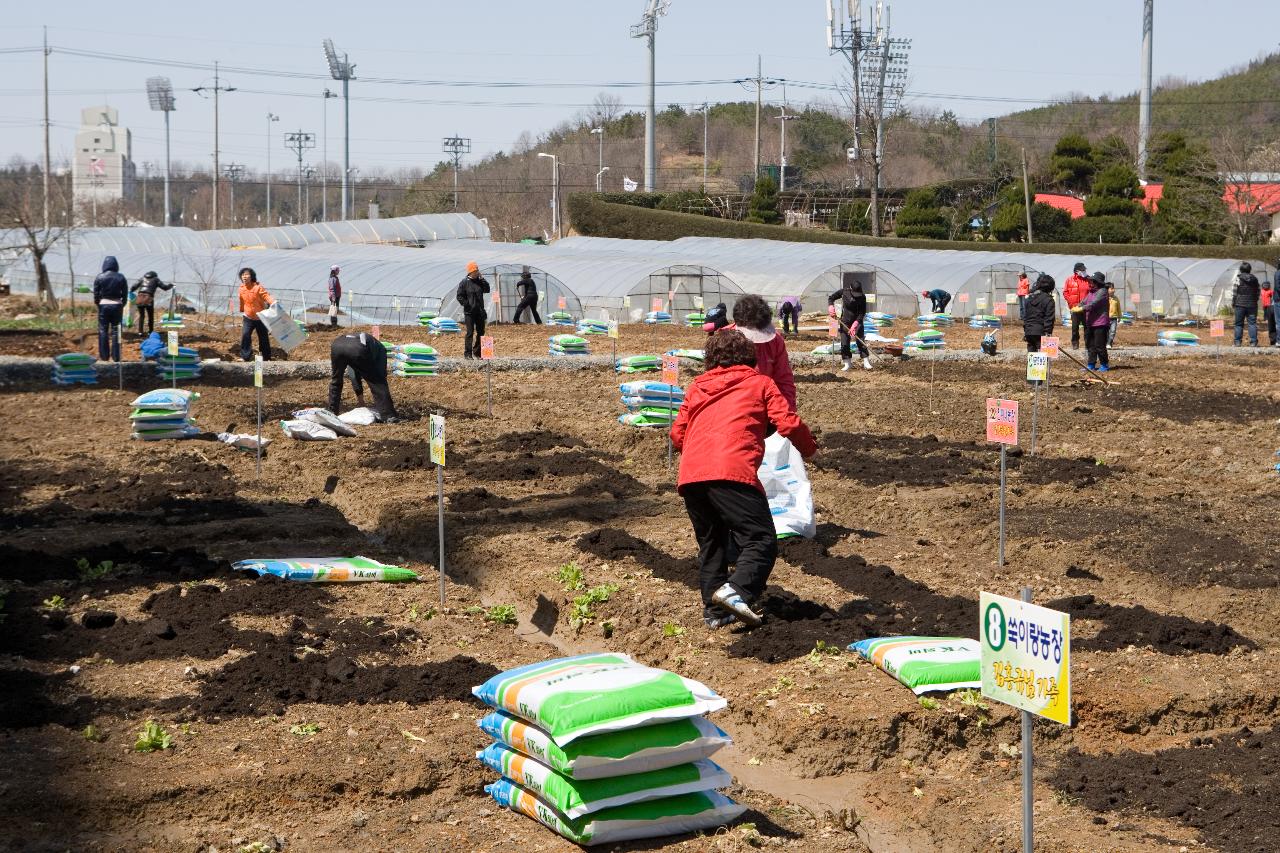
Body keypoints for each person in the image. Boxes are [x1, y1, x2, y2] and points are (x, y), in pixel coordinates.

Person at [669, 329, 817, 629]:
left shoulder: (698, 385)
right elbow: (787, 421)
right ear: (750, 358)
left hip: (692, 475)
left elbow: (677, 434)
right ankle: (736, 592)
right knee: (761, 540)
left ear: (710, 359)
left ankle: (715, 612)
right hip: (731, 470)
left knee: (712, 544)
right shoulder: (761, 383)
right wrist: (811, 449)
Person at [731, 294, 797, 411]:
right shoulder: (725, 341)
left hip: (765, 402)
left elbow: (783, 379)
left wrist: (788, 412)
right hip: (733, 403)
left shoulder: (775, 341)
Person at [328, 330, 399, 423]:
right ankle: (389, 416)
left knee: (336, 380)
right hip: (357, 347)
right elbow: (380, 377)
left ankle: (332, 412)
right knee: (378, 383)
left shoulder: (368, 343)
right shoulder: (381, 350)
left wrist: (361, 401)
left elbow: (353, 374)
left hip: (337, 345)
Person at [831, 278, 872, 371]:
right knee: (845, 342)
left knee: (860, 341)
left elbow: (862, 312)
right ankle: (847, 363)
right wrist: (830, 306)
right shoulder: (844, 292)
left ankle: (866, 362)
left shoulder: (862, 297)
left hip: (857, 321)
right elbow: (831, 297)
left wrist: (855, 324)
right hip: (845, 321)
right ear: (850, 289)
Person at [92, 256, 127, 362]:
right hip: (117, 304)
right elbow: (125, 293)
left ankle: (104, 357)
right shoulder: (121, 277)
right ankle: (117, 357)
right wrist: (122, 304)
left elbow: (96, 293)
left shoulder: (99, 277)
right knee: (117, 331)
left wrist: (99, 303)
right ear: (116, 265)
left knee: (103, 330)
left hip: (104, 305)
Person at [238, 267, 276, 362]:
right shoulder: (241, 289)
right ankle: (245, 357)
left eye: (247, 275)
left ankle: (266, 357)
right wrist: (242, 309)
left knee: (263, 337)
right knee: (246, 335)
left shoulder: (258, 288)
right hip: (248, 317)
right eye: (243, 275)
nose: (244, 277)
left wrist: (273, 303)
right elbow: (242, 300)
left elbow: (266, 296)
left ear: (252, 277)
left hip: (260, 317)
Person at [456, 261, 490, 359]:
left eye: (477, 271)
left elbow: (487, 289)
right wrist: (467, 304)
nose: (477, 272)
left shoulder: (479, 281)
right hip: (469, 312)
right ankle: (467, 354)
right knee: (470, 332)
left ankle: (478, 352)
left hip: (480, 311)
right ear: (470, 272)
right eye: (475, 271)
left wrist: (483, 279)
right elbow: (459, 296)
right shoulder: (464, 282)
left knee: (481, 332)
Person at [1081, 272, 1111, 372]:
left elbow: (1094, 303)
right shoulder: (1091, 292)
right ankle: (1091, 364)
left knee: (1099, 345)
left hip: (1100, 323)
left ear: (1098, 282)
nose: (1091, 282)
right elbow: (1084, 302)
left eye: (1092, 281)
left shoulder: (1102, 291)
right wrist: (1077, 306)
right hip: (1090, 322)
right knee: (1090, 345)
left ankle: (1104, 364)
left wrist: (1082, 308)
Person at [129, 270, 172, 336]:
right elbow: (165, 287)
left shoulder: (142, 278)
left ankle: (140, 332)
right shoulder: (156, 279)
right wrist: (171, 285)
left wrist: (131, 293)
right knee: (150, 316)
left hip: (139, 298)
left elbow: (133, 287)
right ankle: (150, 332)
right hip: (148, 298)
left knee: (142, 316)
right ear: (155, 275)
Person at [1022, 274, 1056, 353]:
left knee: (1032, 357)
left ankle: (1031, 365)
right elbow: (1049, 319)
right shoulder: (1049, 300)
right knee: (1043, 358)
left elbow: (1026, 316)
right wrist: (1048, 333)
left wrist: (1026, 330)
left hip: (1029, 331)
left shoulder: (1029, 298)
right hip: (1041, 332)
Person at [1232, 262, 1261, 347]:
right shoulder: (1255, 279)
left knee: (1238, 324)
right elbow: (1258, 291)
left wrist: (1233, 302)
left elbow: (1234, 291)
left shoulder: (1238, 278)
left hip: (1240, 304)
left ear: (1241, 270)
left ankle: (1237, 342)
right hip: (1252, 305)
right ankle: (1253, 342)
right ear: (1249, 269)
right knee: (1252, 323)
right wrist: (1255, 300)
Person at [1063, 262, 1091, 349]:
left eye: (1085, 269)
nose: (1084, 271)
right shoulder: (1069, 280)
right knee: (1075, 328)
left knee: (1087, 327)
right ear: (1077, 271)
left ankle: (1088, 344)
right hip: (1075, 308)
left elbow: (1092, 292)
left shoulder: (1089, 280)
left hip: (1086, 308)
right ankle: (1075, 343)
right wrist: (1071, 303)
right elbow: (1065, 292)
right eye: (1082, 270)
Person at [1263, 276, 1276, 347]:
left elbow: (1272, 296)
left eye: (1267, 285)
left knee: (1273, 323)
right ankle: (1273, 340)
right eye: (1264, 285)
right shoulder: (1262, 291)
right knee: (1266, 314)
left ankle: (1274, 340)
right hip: (1267, 305)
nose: (1265, 286)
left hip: (1270, 305)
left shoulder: (1270, 291)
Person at [1106, 282, 1121, 347]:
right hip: (1106, 318)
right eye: (1111, 288)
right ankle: (1106, 343)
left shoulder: (1116, 298)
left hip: (1114, 318)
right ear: (1107, 290)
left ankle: (1109, 343)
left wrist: (1119, 316)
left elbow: (1119, 308)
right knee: (1106, 332)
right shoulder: (1105, 298)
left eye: (1113, 288)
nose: (1113, 290)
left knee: (1113, 331)